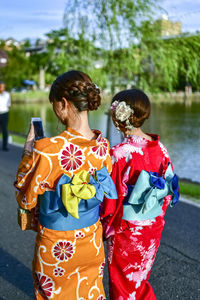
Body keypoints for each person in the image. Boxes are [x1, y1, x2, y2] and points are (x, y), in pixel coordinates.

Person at [14, 70, 117, 299]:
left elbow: (26, 197)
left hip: (58, 246)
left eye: (54, 104)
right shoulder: (103, 145)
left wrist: (28, 152)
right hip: (91, 239)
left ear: (62, 103)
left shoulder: (47, 149)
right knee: (89, 292)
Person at [101, 89, 179, 300]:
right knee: (139, 278)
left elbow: (111, 198)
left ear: (118, 119)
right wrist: (155, 214)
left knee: (122, 282)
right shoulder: (160, 148)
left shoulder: (119, 153)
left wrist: (104, 226)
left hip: (126, 228)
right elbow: (168, 190)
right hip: (152, 224)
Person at [0, 81, 11, 151]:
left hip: (5, 113)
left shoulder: (7, 95)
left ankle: (4, 146)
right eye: (1, 87)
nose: (2, 88)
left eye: (3, 87)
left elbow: (8, 104)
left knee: (4, 130)